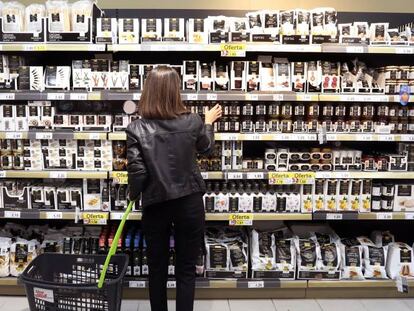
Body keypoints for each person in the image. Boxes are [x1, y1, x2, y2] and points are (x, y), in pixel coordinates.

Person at [126, 65, 222, 311]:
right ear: (175, 91)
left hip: (155, 204)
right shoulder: (192, 120)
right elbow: (206, 147)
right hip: (189, 201)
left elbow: (137, 172)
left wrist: (133, 195)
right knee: (186, 268)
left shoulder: (136, 128)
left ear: (148, 91)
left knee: (156, 268)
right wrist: (208, 122)